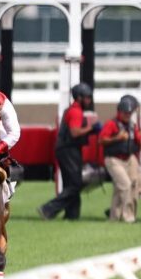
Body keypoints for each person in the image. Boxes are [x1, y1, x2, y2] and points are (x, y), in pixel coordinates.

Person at [39, 83, 101, 220]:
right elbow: (75, 132)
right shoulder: (75, 112)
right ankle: (48, 209)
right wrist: (92, 128)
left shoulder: (72, 110)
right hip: (69, 150)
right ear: (79, 98)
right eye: (87, 98)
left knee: (70, 183)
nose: (89, 101)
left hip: (67, 150)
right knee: (76, 184)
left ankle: (72, 215)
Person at [101, 94, 141, 223]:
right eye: (125, 113)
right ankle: (128, 217)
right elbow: (102, 140)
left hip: (128, 157)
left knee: (132, 186)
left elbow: (137, 137)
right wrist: (117, 138)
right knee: (125, 185)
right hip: (114, 159)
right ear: (119, 112)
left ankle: (115, 217)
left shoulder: (132, 125)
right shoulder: (111, 124)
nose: (127, 115)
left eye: (129, 113)